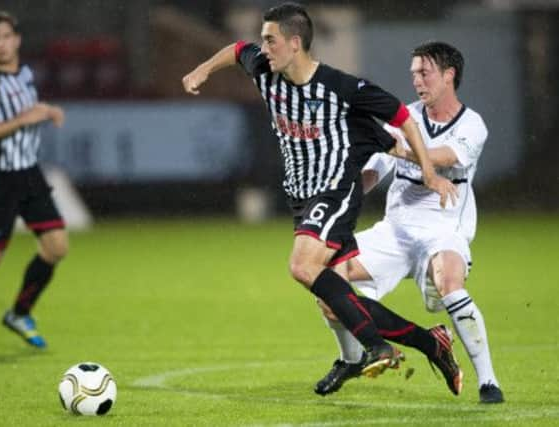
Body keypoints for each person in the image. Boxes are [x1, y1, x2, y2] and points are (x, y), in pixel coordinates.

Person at [183, 2, 462, 391]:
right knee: (333, 301)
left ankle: (375, 348)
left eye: (270, 40)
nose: (262, 48)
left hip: (334, 193)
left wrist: (430, 173)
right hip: (302, 201)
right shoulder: (264, 69)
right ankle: (431, 343)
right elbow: (235, 50)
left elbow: (402, 118)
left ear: (295, 43)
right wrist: (201, 71)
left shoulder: (343, 89)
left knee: (301, 266)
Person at [314, 41, 504, 404]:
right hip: (396, 229)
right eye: (413, 72)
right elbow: (372, 173)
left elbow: (445, 155)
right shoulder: (402, 119)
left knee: (448, 281)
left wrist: (394, 145)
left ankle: (489, 382)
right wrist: (343, 192)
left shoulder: (472, 124)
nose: (417, 79)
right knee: (326, 282)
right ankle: (351, 358)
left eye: (425, 72)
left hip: (444, 228)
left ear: (449, 75)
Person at [0, 11, 67, 351]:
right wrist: (26, 118)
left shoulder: (25, 74)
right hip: (1, 177)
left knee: (56, 247)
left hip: (30, 173)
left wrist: (45, 110)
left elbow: (28, 109)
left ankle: (20, 313)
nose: (2, 43)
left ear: (17, 40)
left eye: (7, 36)